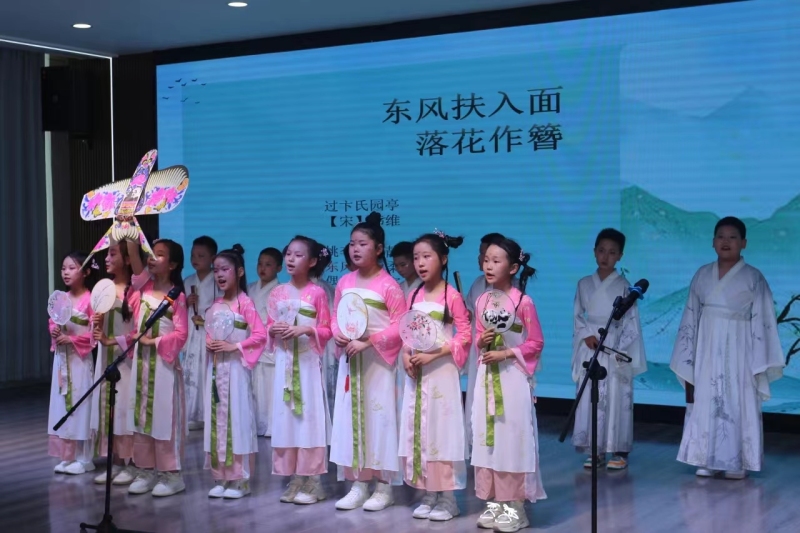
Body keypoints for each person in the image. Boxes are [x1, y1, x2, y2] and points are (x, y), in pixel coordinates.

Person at [670, 216, 784, 479]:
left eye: (733, 237)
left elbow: (764, 319)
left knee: (737, 398)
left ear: (744, 243)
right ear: (712, 242)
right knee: (706, 396)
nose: (726, 241)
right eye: (721, 236)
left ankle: (738, 461)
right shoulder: (702, 274)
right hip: (707, 346)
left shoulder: (754, 277)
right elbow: (690, 317)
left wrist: (759, 360)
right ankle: (705, 458)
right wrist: (688, 356)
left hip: (740, 347)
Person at [330, 212, 406, 512]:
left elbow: (400, 325)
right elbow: (336, 317)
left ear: (379, 248)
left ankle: (384, 486)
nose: (356, 249)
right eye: (352, 244)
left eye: (363, 244)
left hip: (378, 364)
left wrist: (369, 341)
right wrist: (338, 333)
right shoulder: (344, 282)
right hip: (352, 361)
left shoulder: (389, 285)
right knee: (352, 420)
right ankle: (358, 484)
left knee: (380, 419)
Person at [472, 237, 546, 532]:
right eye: (486, 260)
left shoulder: (523, 302)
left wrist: (506, 352)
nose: (489, 266)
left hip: (512, 377)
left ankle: (516, 506)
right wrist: (481, 341)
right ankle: (494, 502)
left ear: (513, 267)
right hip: (487, 376)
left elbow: (535, 342)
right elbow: (478, 339)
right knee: (487, 438)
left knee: (512, 438)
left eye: (496, 261)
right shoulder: (482, 300)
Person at [399, 230, 470, 521]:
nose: (420, 263)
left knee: (442, 428)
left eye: (426, 256)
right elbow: (407, 329)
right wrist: (406, 354)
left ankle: (449, 498)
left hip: (441, 370)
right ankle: (428, 492)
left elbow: (465, 335)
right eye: (416, 257)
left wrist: (435, 353)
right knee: (419, 427)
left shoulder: (451, 295)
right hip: (418, 370)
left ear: (443, 259)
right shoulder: (414, 294)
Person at [571, 228, 646, 470]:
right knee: (592, 396)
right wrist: (586, 334)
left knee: (615, 395)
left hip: (613, 345)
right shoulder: (584, 284)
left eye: (612, 252)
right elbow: (577, 315)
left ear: (620, 256)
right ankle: (596, 449)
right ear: (594, 252)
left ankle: (619, 449)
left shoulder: (625, 286)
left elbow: (630, 322)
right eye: (601, 250)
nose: (606, 256)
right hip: (591, 344)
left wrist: (619, 349)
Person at [267, 237, 333, 505]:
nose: (291, 259)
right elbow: (269, 326)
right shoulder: (277, 293)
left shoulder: (317, 293)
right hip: (284, 363)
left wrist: (306, 329)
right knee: (286, 419)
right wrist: (273, 329)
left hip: (306, 365)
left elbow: (327, 329)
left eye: (298, 255)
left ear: (313, 261)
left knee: (308, 419)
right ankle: (295, 478)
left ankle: (314, 481)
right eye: (288, 254)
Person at [126, 238, 190, 497]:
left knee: (164, 420)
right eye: (151, 253)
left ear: (172, 264)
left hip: (164, 367)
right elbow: (135, 260)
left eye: (160, 254)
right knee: (140, 417)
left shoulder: (177, 296)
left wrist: (154, 342)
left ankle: (171, 475)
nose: (152, 258)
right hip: (141, 364)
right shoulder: (143, 288)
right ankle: (145, 470)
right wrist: (130, 235)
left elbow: (182, 334)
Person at [204, 245, 267, 499]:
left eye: (225, 269)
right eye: (216, 270)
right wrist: (210, 342)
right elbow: (210, 331)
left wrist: (236, 346)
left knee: (236, 419)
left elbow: (260, 335)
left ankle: (240, 479)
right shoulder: (216, 304)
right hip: (216, 368)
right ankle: (220, 476)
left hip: (236, 369)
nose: (219, 275)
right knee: (216, 420)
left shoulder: (245, 303)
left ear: (239, 272)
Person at [90, 243, 142, 485]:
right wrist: (96, 324)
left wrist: (113, 340)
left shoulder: (135, 292)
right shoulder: (103, 288)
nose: (107, 259)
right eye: (106, 254)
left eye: (113, 254)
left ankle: (132, 462)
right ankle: (117, 461)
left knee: (124, 407)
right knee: (109, 407)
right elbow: (94, 331)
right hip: (106, 358)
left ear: (128, 259)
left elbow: (138, 329)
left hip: (126, 359)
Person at [48, 252, 99, 475]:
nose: (66, 272)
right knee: (61, 404)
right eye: (63, 268)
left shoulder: (91, 300)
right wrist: (55, 331)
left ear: (86, 272)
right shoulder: (61, 298)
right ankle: (67, 456)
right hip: (62, 360)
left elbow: (94, 334)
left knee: (82, 403)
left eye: (71, 268)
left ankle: (85, 458)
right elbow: (53, 323)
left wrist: (72, 339)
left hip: (80, 360)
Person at [465, 232, 509, 455]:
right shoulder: (477, 284)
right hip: (479, 346)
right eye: (482, 255)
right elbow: (469, 313)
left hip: (502, 349)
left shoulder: (512, 288)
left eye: (491, 256)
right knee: (477, 390)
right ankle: (478, 442)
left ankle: (501, 443)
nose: (484, 260)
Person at [183, 236, 218, 430]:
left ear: (212, 258)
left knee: (207, 372)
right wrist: (186, 304)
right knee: (192, 371)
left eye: (201, 256)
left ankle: (209, 414)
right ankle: (192, 414)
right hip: (193, 334)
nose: (195, 259)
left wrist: (206, 320)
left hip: (209, 334)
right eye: (193, 255)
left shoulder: (218, 281)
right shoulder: (188, 281)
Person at [247, 247, 283, 437]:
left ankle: (271, 425)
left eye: (268, 264)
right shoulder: (250, 288)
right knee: (253, 385)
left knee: (269, 385)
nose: (262, 268)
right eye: (260, 263)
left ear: (279, 268)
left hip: (270, 344)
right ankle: (254, 425)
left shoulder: (281, 291)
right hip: (251, 342)